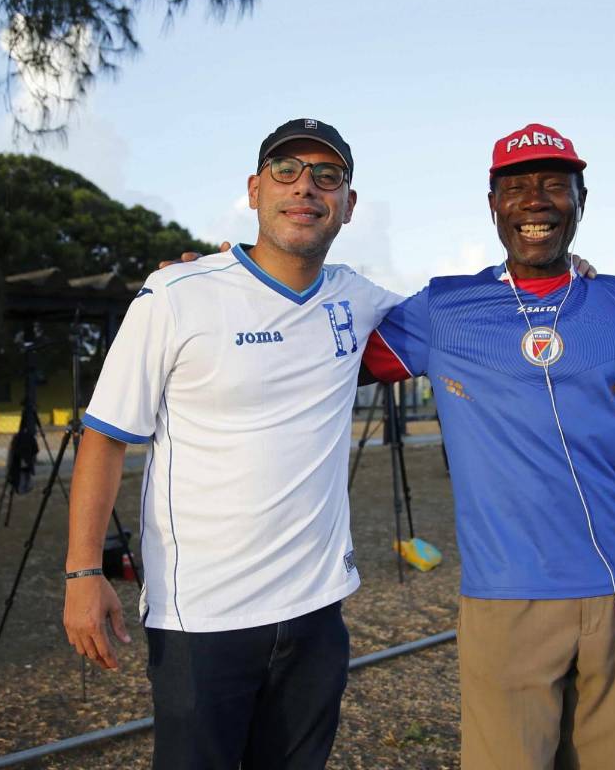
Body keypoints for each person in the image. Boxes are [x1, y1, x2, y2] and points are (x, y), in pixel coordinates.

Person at [62, 118, 403, 769]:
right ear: (254, 190)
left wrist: (565, 276)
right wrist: (82, 573)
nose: (305, 188)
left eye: (327, 176)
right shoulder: (175, 294)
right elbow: (103, 438)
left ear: (349, 205)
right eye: (286, 171)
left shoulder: (357, 300)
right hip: (202, 622)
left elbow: (470, 313)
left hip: (316, 616)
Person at [362, 123, 615, 769]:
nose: (535, 201)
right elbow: (321, 350)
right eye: (516, 187)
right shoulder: (444, 308)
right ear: (493, 206)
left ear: (581, 201)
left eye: (553, 186)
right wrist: (225, 290)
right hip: (505, 599)